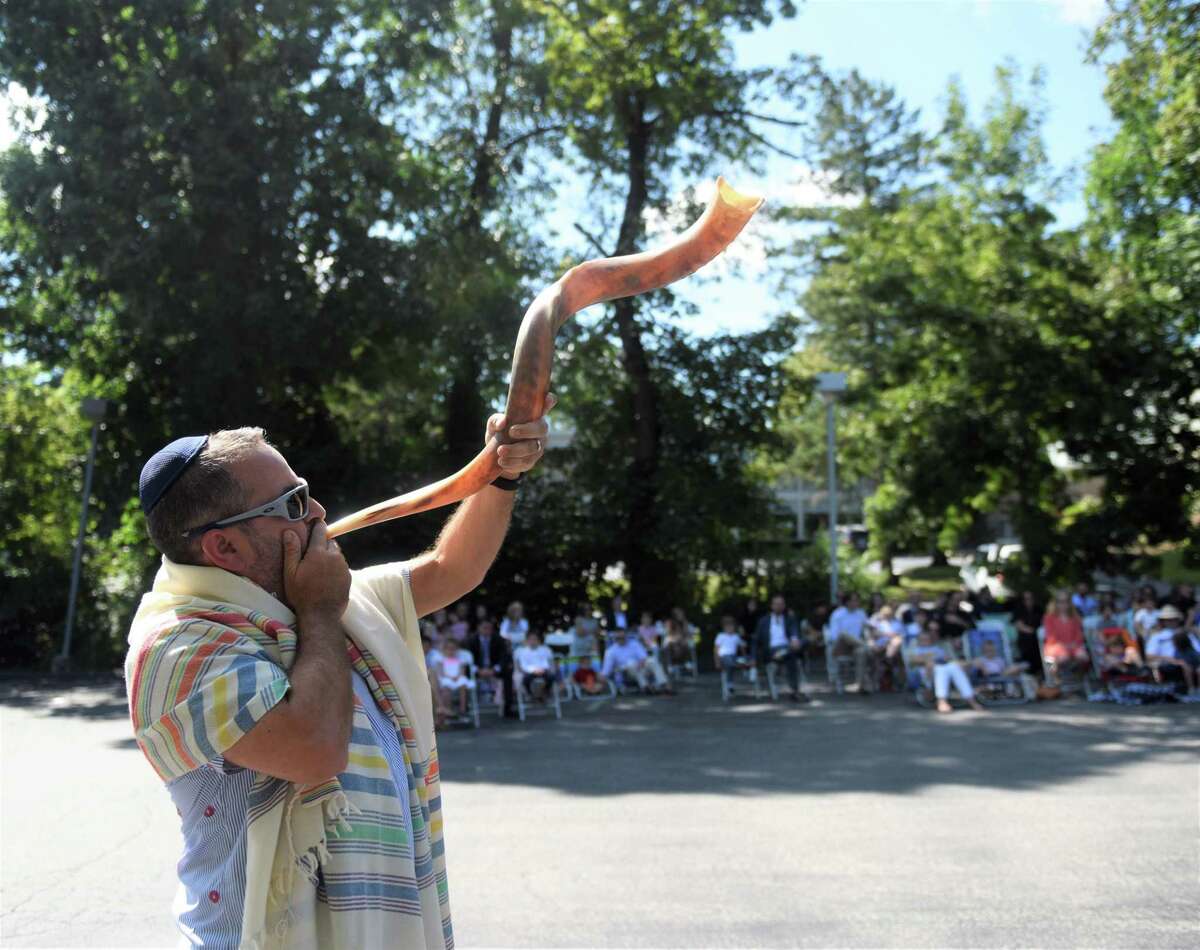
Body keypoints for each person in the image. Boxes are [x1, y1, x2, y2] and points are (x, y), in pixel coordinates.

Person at [123, 406, 551, 946]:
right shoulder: (177, 648)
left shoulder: (308, 604)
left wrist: (501, 474)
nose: (318, 511)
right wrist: (321, 612)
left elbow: (451, 570)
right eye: (293, 504)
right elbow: (315, 751)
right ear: (224, 547)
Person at [908, 623, 984, 713]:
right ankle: (942, 701)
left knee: (953, 667)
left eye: (927, 639)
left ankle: (970, 699)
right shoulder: (915, 649)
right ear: (918, 640)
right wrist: (928, 659)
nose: (925, 641)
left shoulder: (936, 648)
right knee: (941, 669)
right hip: (927, 673)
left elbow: (947, 658)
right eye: (922, 640)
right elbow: (913, 661)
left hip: (943, 669)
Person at [753, 594, 809, 702]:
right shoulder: (763, 621)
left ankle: (794, 690)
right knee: (792, 654)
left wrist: (794, 639)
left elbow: (794, 631)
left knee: (799, 646)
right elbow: (756, 641)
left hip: (788, 648)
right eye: (777, 604)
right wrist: (753, 658)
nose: (779, 606)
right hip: (771, 651)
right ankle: (794, 690)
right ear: (771, 605)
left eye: (781, 604)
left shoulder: (789, 618)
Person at [467, 617, 516, 718]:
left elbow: (505, 657)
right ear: (478, 628)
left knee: (508, 673)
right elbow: (467, 659)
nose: (487, 630)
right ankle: (466, 708)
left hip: (494, 669)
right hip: (477, 670)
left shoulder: (499, 640)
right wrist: (478, 670)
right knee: (464, 672)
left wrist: (494, 669)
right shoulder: (471, 641)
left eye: (489, 628)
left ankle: (508, 707)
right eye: (484, 628)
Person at [1145, 605, 1200, 692]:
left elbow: (1197, 650)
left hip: (1189, 659)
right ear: (1163, 621)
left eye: (1173, 619)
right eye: (1168, 620)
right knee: (1184, 665)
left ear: (1177, 620)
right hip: (1167, 663)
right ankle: (1191, 689)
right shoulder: (1157, 636)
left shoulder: (1186, 634)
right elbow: (1149, 656)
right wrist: (1169, 659)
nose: (1171, 622)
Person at [600, 629, 672, 694]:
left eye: (622, 637)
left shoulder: (634, 644)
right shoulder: (611, 651)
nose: (621, 639)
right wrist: (602, 676)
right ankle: (645, 687)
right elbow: (607, 667)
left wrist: (641, 662)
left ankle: (663, 684)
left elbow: (643, 656)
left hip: (641, 668)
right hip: (627, 673)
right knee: (631, 664)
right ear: (615, 638)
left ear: (626, 636)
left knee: (652, 660)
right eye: (618, 638)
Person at [1042, 591, 1089, 685]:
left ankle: (1077, 678)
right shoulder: (1049, 617)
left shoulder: (1075, 617)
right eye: (1060, 601)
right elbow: (1050, 636)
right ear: (1056, 603)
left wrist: (1073, 644)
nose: (1063, 604)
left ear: (1069, 603)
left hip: (1073, 646)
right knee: (1064, 657)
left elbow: (1079, 634)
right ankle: (1057, 676)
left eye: (1066, 601)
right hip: (1055, 646)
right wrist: (1064, 645)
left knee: (1083, 657)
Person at [828, 592, 869, 693]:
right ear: (847, 602)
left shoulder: (861, 613)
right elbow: (834, 635)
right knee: (844, 634)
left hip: (856, 646)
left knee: (862, 651)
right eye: (853, 600)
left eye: (857, 600)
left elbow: (868, 629)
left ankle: (859, 684)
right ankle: (867, 647)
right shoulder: (837, 614)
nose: (855, 603)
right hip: (840, 645)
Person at [514, 630, 557, 701]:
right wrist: (533, 670)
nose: (533, 641)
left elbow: (548, 663)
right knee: (525, 680)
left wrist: (542, 670)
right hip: (529, 672)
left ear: (539, 640)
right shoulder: (521, 651)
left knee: (551, 677)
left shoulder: (545, 650)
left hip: (543, 671)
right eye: (531, 639)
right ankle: (530, 695)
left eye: (535, 639)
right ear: (527, 640)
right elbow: (522, 665)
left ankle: (545, 693)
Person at [1009, 590, 1045, 677]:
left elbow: (1044, 622)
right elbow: (1019, 625)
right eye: (1026, 599)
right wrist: (1032, 631)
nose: (1028, 601)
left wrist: (1037, 632)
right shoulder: (1019, 609)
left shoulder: (1038, 609)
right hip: (1025, 638)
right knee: (1029, 642)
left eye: (1030, 598)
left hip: (1038, 637)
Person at [437, 638, 473, 718]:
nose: (451, 651)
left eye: (453, 649)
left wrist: (457, 677)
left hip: (458, 678)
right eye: (449, 649)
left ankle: (462, 709)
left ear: (457, 649)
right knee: (446, 687)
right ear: (444, 649)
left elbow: (462, 671)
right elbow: (441, 673)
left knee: (463, 684)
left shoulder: (460, 659)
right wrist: (450, 677)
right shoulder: (441, 660)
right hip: (446, 678)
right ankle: (449, 709)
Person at [713, 615, 746, 694]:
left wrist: (744, 656)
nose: (729, 628)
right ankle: (729, 683)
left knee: (738, 661)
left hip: (733, 657)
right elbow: (716, 650)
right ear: (724, 627)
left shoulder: (736, 636)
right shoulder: (720, 636)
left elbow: (742, 647)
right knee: (729, 662)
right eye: (727, 626)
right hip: (723, 656)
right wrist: (717, 662)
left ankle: (743, 671)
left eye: (731, 626)